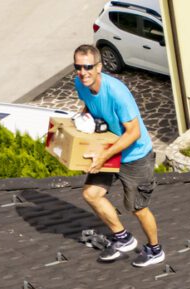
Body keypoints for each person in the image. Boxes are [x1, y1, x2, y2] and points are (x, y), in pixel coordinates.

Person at [71, 43, 163, 265]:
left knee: (137, 208)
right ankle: (123, 238)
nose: (83, 72)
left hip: (135, 155)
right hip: (109, 147)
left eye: (88, 67)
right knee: (91, 193)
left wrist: (103, 156)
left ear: (99, 67)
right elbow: (89, 107)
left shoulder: (117, 92)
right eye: (78, 67)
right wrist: (82, 119)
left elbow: (134, 132)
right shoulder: (80, 83)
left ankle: (155, 250)